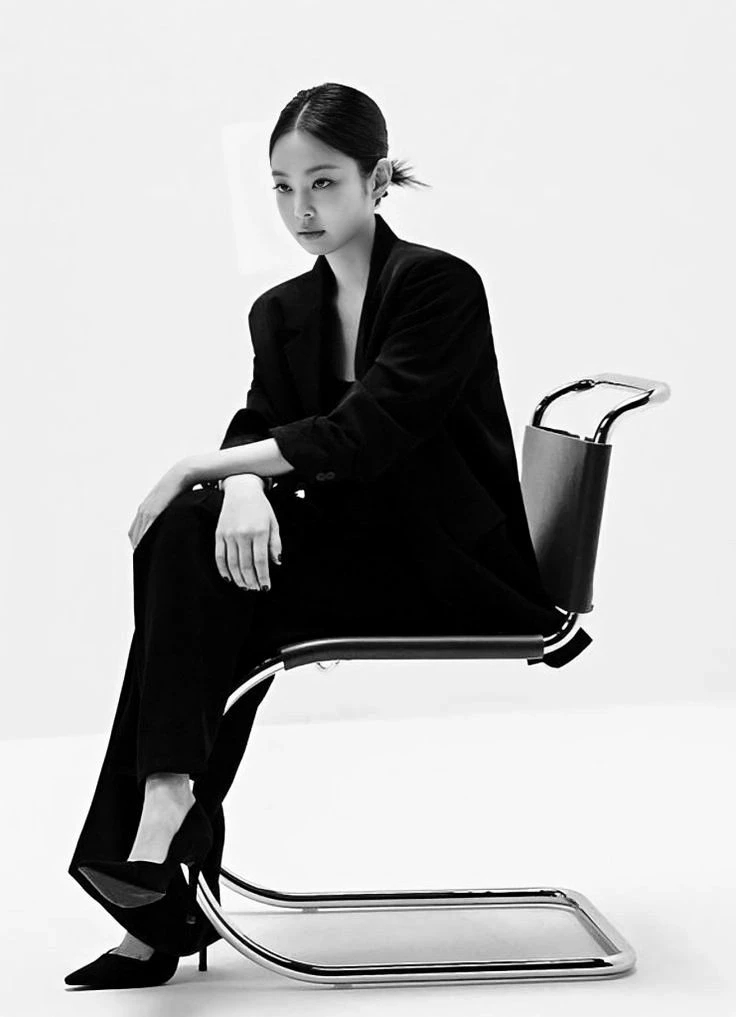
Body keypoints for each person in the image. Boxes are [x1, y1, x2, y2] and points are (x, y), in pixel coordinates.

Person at [65, 82, 564, 990]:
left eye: (324, 183)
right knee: (191, 548)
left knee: (194, 555)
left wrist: (202, 466)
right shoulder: (281, 310)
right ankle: (164, 812)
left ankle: (157, 881)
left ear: (376, 180)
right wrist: (239, 481)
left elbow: (367, 433)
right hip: (351, 554)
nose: (302, 209)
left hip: (446, 569)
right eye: (283, 187)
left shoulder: (439, 286)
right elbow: (264, 419)